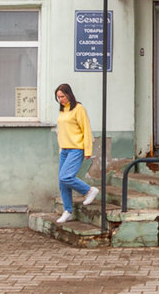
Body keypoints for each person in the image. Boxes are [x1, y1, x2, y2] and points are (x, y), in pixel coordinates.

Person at [54, 83, 98, 224]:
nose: (60, 99)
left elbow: (86, 130)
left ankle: (89, 190)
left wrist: (88, 150)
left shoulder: (79, 109)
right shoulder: (63, 110)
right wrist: (61, 148)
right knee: (62, 182)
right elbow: (62, 131)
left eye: (62, 96)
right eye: (58, 97)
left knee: (66, 176)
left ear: (69, 94)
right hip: (64, 150)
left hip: (76, 149)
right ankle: (68, 211)